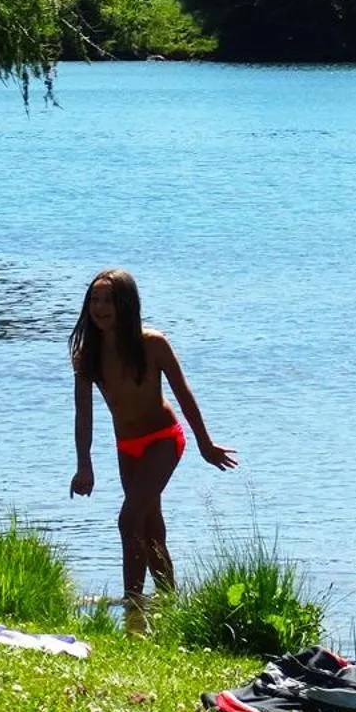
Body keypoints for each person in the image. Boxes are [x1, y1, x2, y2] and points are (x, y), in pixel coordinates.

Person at [68, 269, 238, 628]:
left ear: (126, 304)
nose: (99, 308)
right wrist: (84, 466)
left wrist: (206, 444)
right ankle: (170, 605)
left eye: (108, 300)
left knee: (128, 519)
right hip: (127, 446)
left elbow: (184, 394)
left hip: (163, 439)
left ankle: (133, 609)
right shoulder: (87, 355)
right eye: (93, 300)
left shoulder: (153, 343)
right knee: (149, 527)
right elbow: (83, 414)